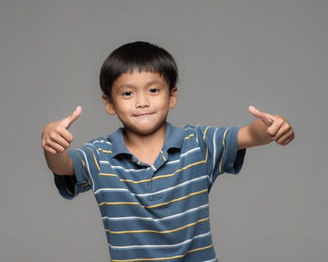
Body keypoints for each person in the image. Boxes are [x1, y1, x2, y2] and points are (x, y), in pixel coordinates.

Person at [41, 41, 294, 262]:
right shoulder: (99, 156)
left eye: (153, 90)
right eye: (128, 93)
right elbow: (62, 165)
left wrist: (275, 125)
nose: (142, 101)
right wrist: (51, 140)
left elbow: (250, 134)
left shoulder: (198, 143)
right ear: (109, 103)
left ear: (172, 96)